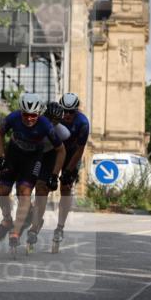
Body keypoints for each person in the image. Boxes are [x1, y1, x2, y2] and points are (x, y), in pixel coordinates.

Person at [0, 92, 65, 252]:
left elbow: (61, 150)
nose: (29, 119)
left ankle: (16, 232)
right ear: (21, 112)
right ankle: (7, 220)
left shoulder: (46, 125)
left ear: (38, 113)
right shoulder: (13, 118)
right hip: (13, 155)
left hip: (32, 160)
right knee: (2, 191)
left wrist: (55, 175)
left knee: (24, 194)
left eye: (33, 115)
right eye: (26, 115)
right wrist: (1, 155)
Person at [21, 101, 72, 250]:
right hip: (31, 155)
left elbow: (62, 153)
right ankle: (30, 212)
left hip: (49, 157)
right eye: (48, 118)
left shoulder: (63, 133)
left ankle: (35, 227)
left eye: (55, 121)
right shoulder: (31, 124)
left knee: (42, 190)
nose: (51, 122)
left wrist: (54, 176)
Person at [52, 92, 90, 247]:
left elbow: (80, 150)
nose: (67, 115)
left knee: (65, 188)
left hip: (72, 156)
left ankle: (60, 227)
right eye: (64, 111)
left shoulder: (83, 123)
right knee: (45, 183)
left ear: (76, 111)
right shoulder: (55, 117)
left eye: (71, 112)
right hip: (55, 153)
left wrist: (67, 171)